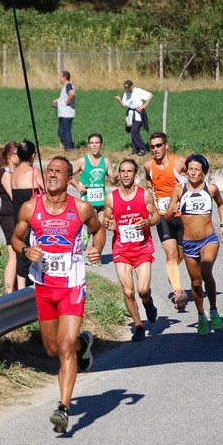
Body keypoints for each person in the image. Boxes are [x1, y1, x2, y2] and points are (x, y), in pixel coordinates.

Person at [11, 156, 105, 433]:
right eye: (49, 171)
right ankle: (82, 345)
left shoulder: (82, 208)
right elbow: (16, 238)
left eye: (58, 172)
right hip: (44, 286)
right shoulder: (30, 208)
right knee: (53, 348)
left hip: (73, 285)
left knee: (64, 346)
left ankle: (63, 408)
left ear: (68, 178)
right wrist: (26, 251)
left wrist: (96, 248)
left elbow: (97, 231)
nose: (52, 175)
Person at [165, 154, 223, 336]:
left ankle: (214, 310)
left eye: (196, 169)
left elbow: (220, 204)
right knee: (195, 281)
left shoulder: (211, 189)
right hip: (188, 243)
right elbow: (167, 216)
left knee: (206, 273)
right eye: (190, 169)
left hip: (209, 239)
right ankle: (201, 315)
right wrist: (172, 210)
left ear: (203, 172)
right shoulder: (179, 189)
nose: (192, 172)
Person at [104, 158, 161, 342]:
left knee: (142, 289)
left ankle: (147, 302)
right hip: (121, 249)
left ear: (135, 175)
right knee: (128, 291)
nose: (126, 175)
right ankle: (138, 325)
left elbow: (156, 216)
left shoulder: (144, 195)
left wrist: (147, 222)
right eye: (123, 171)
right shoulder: (111, 197)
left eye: (129, 171)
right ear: (118, 174)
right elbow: (106, 220)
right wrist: (109, 224)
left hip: (142, 248)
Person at [143, 132, 189, 310]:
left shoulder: (180, 162)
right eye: (152, 146)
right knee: (170, 254)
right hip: (163, 215)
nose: (155, 149)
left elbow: (197, 176)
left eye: (159, 145)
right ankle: (178, 292)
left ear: (166, 145)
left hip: (183, 217)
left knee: (180, 256)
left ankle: (176, 276)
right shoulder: (148, 165)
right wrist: (150, 189)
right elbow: (149, 179)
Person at [71, 133, 118, 265]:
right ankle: (86, 233)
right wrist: (78, 187)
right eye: (92, 143)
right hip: (87, 203)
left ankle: (95, 258)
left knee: (100, 230)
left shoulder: (106, 161)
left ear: (101, 144)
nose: (94, 145)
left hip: (102, 202)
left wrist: (115, 178)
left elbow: (112, 181)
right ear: (89, 145)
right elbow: (68, 175)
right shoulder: (82, 161)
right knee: (94, 227)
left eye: (97, 143)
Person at [11, 140, 45, 289]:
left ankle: (21, 287)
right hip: (32, 215)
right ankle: (36, 283)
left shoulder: (14, 173)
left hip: (17, 214)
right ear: (33, 155)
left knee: (21, 248)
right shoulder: (33, 172)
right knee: (33, 247)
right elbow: (48, 190)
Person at [0, 141, 20, 294]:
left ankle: (16, 289)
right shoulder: (5, 173)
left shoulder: (13, 171)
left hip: (14, 215)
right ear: (11, 156)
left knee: (17, 254)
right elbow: (14, 196)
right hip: (8, 215)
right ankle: (9, 292)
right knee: (13, 255)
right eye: (18, 153)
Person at [114, 79, 153, 155]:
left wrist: (143, 106)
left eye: (129, 88)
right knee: (131, 131)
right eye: (126, 88)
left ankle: (142, 148)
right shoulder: (126, 94)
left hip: (138, 113)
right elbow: (124, 105)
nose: (128, 90)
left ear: (132, 86)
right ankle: (135, 149)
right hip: (130, 114)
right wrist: (119, 100)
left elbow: (150, 96)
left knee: (134, 131)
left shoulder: (138, 91)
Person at [52, 70, 76, 151]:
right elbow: (65, 97)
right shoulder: (66, 86)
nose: (58, 78)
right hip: (63, 114)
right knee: (61, 133)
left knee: (65, 132)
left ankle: (69, 149)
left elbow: (71, 94)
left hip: (66, 114)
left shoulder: (68, 85)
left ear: (64, 77)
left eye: (60, 76)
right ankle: (71, 146)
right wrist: (58, 100)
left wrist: (68, 101)